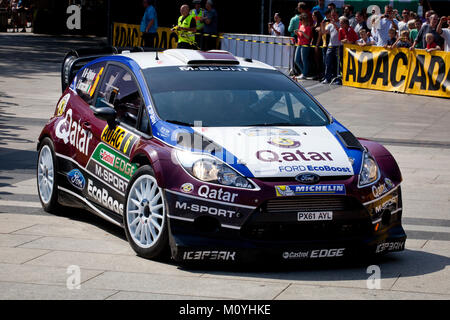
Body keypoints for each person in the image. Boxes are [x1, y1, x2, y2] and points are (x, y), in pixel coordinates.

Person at [321, 9, 340, 84]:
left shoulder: (340, 23)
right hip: (331, 45)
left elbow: (340, 31)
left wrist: (334, 23)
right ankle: (327, 78)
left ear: (337, 15)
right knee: (328, 62)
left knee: (337, 64)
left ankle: (337, 79)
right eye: (332, 15)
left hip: (338, 46)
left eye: (334, 15)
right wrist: (322, 25)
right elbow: (324, 32)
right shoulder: (329, 25)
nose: (333, 17)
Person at [294, 13, 312, 80]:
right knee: (296, 60)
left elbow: (308, 37)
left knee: (304, 60)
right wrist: (297, 33)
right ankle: (304, 72)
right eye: (300, 19)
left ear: (305, 20)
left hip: (305, 45)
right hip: (299, 44)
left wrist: (302, 32)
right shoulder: (301, 26)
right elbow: (300, 36)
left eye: (301, 19)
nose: (300, 21)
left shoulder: (308, 27)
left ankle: (304, 74)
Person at [311, 10, 324, 79]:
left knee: (318, 59)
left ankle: (319, 74)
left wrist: (317, 45)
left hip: (318, 43)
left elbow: (320, 35)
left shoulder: (320, 23)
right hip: (314, 42)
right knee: (314, 59)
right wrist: (312, 41)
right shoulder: (314, 23)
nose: (312, 16)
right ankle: (316, 73)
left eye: (313, 15)